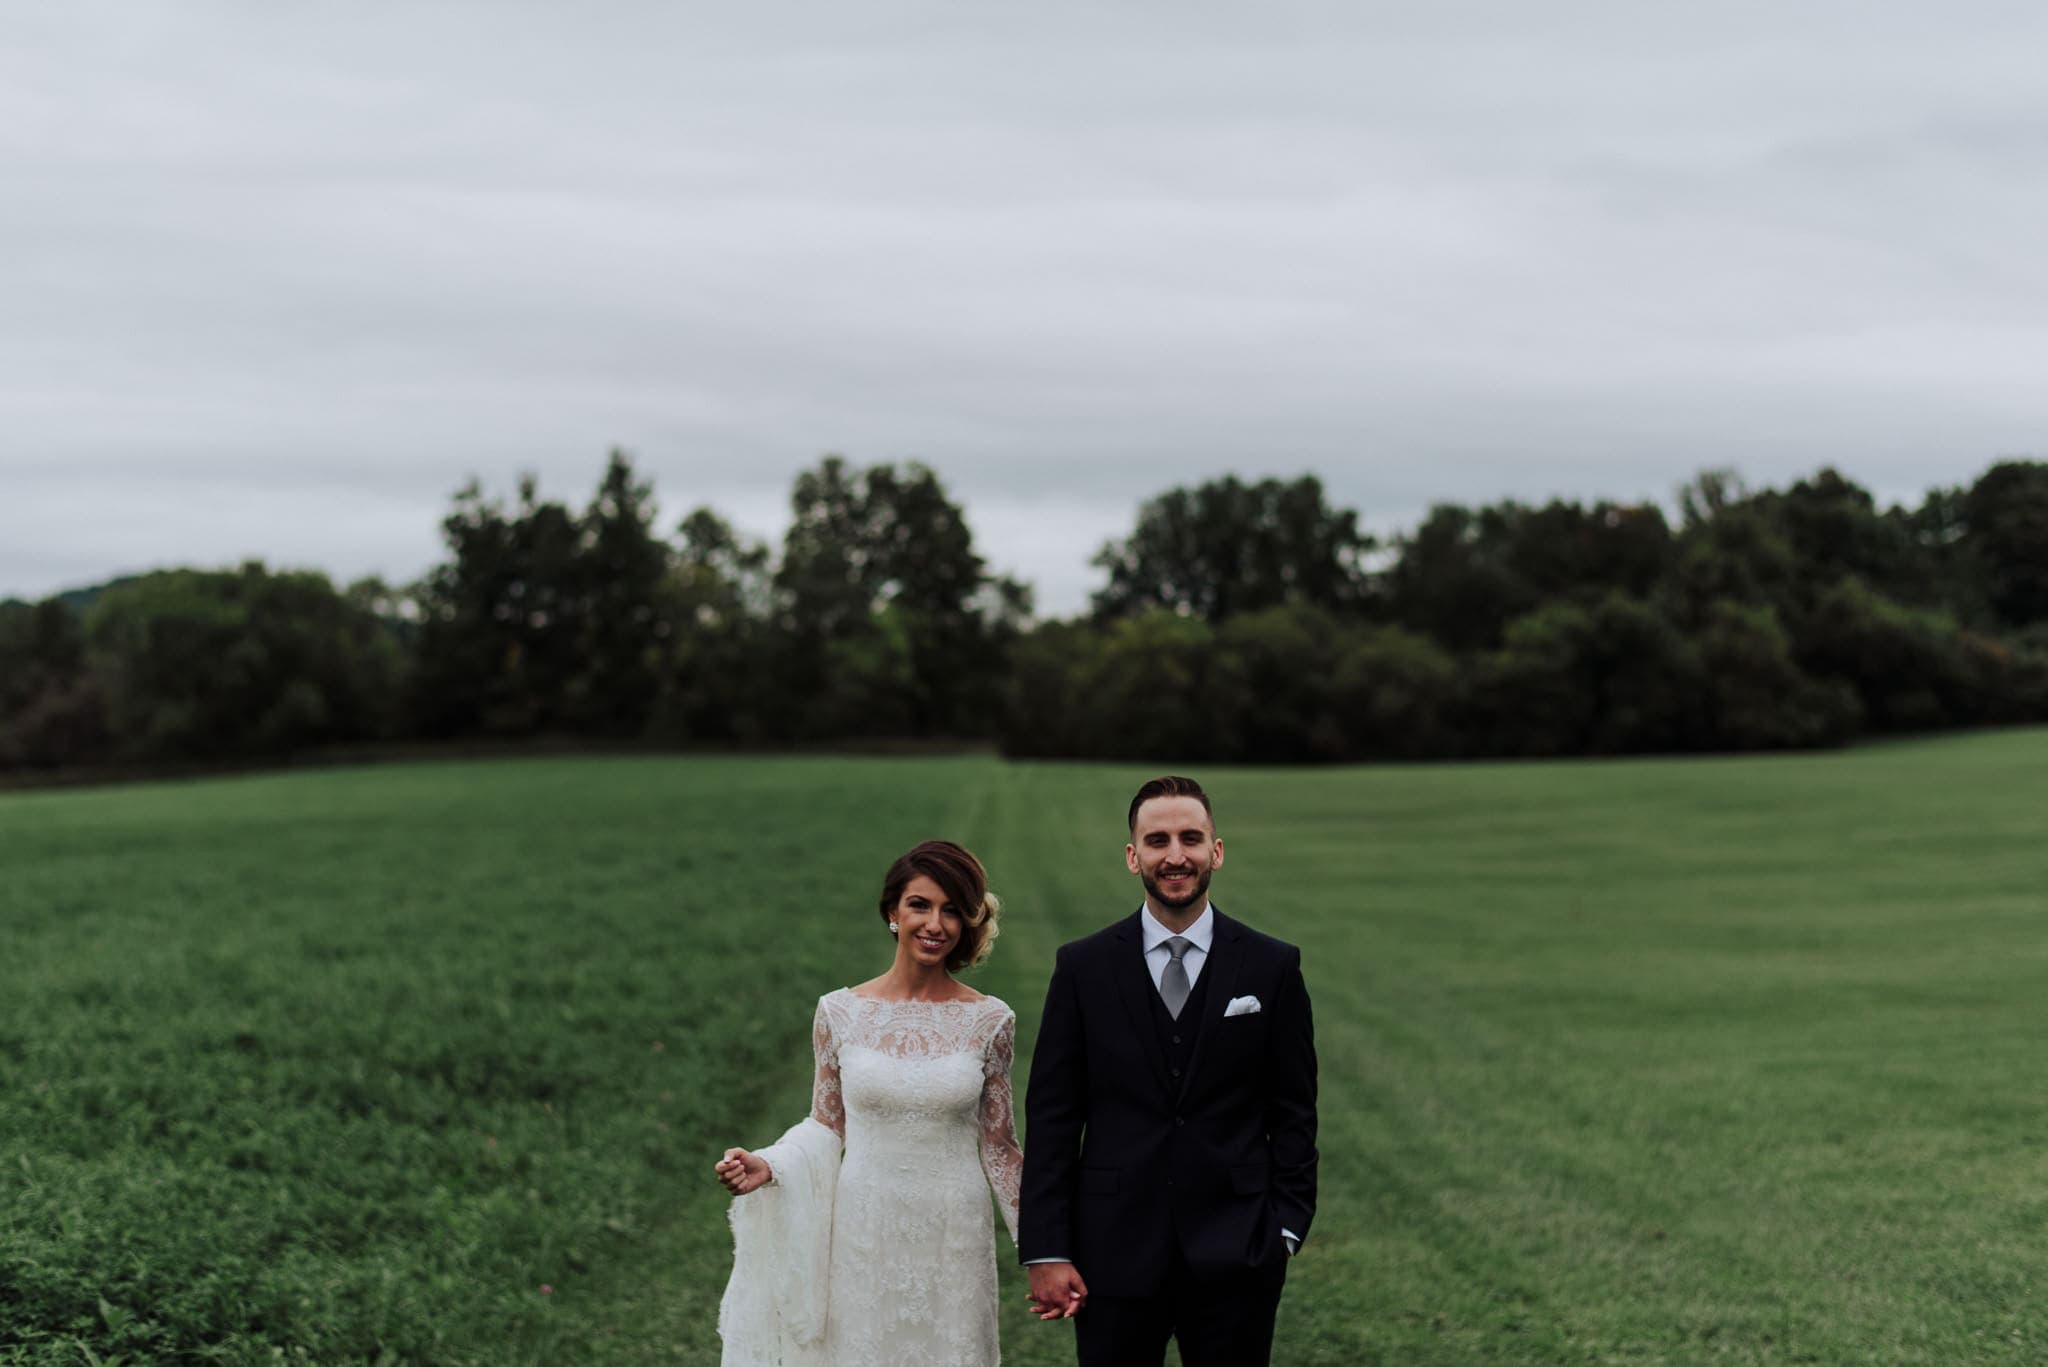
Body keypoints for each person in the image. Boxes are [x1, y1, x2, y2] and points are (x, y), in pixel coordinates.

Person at [1019, 775, 1318, 1367]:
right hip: (1113, 1249)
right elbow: (1053, 1116)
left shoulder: (1271, 965)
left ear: (1217, 851)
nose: (1175, 855)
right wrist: (1046, 1247)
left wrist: (1284, 1227)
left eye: (1191, 838)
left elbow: (1294, 1111)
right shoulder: (1083, 967)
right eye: (1157, 841)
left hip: (1239, 1249)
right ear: (1134, 856)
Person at [713, 839, 1023, 1367]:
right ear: (892, 912)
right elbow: (827, 1125)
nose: (935, 924)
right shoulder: (838, 1013)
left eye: (951, 911)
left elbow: (1000, 1147)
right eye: (920, 905)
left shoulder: (990, 1021)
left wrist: (1047, 1252)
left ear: (967, 922)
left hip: (954, 1231)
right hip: (864, 1226)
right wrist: (771, 1164)